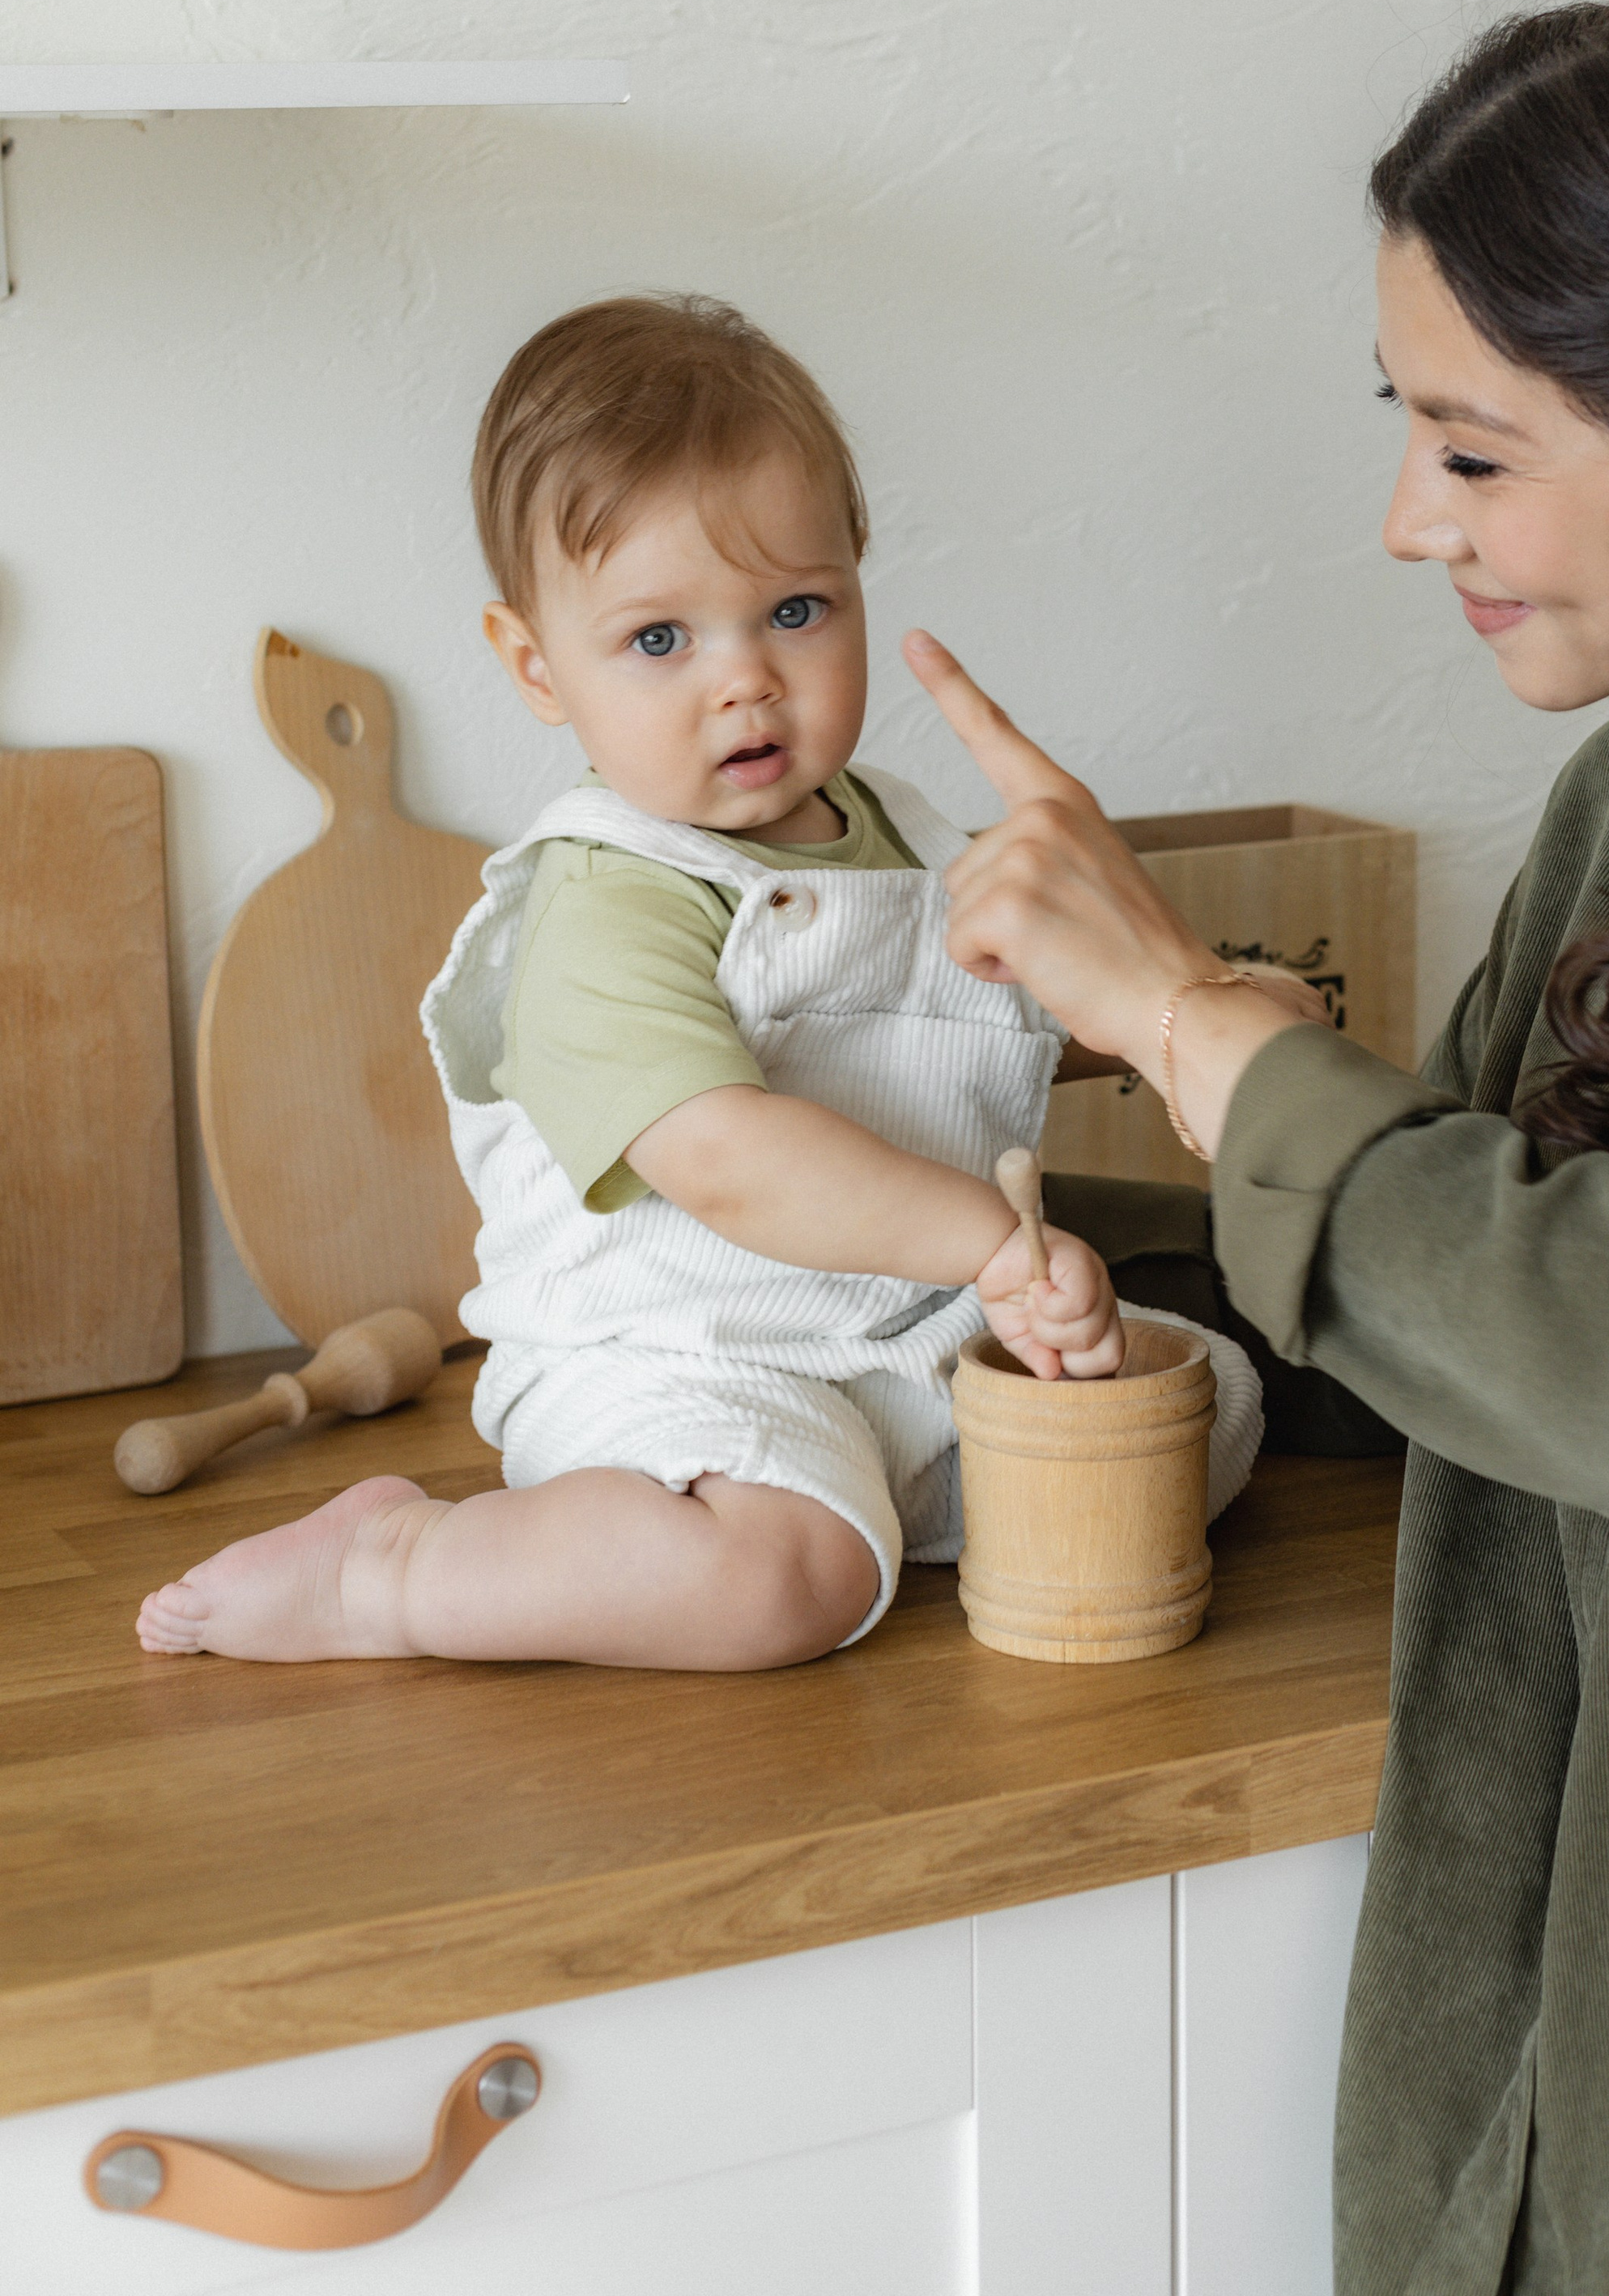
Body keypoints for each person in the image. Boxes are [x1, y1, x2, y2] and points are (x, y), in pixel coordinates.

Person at [905, 0, 1609, 2294]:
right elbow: (1450, 1278)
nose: (1406, 521)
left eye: (1474, 447)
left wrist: (1179, 1006)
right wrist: (924, 1249)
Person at [138, 296, 1260, 1673]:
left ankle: (909, 1511)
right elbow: (724, 1158)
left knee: (1198, 1411)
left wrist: (1200, 1015)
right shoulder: (600, 903)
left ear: (859, 580)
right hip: (678, 1361)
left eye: (795, 611)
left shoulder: (906, 833)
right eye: (661, 640)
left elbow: (1019, 1011)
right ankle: (400, 1569)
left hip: (904, 1333)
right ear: (536, 665)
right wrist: (984, 1242)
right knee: (772, 1581)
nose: (748, 684)